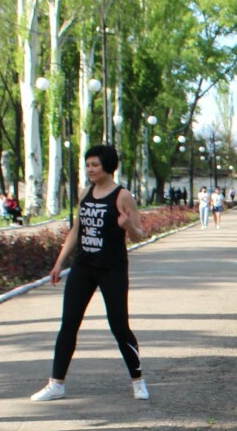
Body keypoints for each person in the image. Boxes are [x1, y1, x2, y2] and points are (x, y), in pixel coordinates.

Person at [30, 145, 149, 403]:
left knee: (119, 326)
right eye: (87, 165)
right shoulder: (85, 194)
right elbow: (76, 230)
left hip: (112, 269)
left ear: (108, 165)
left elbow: (139, 233)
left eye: (95, 164)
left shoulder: (123, 196)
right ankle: (56, 383)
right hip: (83, 267)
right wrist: (59, 263)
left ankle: (138, 381)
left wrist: (128, 225)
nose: (90, 169)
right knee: (69, 323)